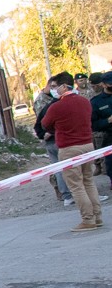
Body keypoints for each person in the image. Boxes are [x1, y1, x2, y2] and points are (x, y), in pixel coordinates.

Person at [43, 71, 103, 231]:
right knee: (88, 181)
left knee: (76, 185)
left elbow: (45, 124)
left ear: (64, 86)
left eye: (56, 87)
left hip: (69, 148)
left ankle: (87, 219)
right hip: (88, 145)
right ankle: (97, 216)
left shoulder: (56, 107)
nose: (54, 90)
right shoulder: (84, 102)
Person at [34, 76, 74, 205]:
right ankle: (68, 194)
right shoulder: (47, 102)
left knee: (60, 168)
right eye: (52, 87)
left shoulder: (53, 102)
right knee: (66, 168)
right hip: (57, 139)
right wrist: (46, 133)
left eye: (55, 87)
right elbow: (43, 122)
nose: (54, 89)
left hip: (54, 138)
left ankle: (66, 194)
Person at [92, 71, 112, 183]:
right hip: (109, 138)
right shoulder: (96, 102)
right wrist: (108, 120)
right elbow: (93, 125)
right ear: (103, 84)